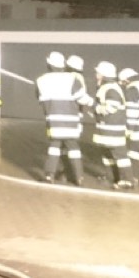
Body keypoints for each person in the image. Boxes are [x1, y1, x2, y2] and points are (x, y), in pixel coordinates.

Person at [35, 51, 89, 185]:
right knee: (73, 147)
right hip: (71, 121)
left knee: (54, 146)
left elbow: (39, 99)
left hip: (53, 121)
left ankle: (49, 176)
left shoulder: (40, 80)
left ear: (49, 64)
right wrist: (94, 104)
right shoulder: (72, 79)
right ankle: (79, 177)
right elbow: (82, 99)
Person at [92, 61, 135, 190]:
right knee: (107, 154)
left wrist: (96, 108)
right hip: (107, 128)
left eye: (98, 72)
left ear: (103, 74)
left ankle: (127, 180)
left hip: (113, 129)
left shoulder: (111, 88)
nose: (96, 74)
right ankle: (112, 176)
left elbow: (111, 106)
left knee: (120, 155)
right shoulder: (107, 87)